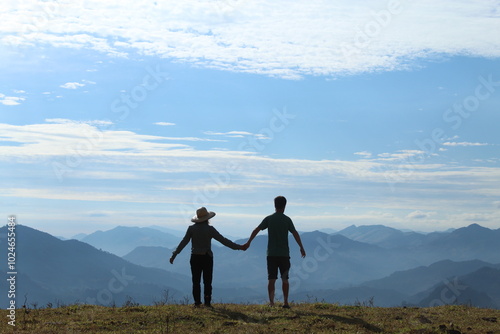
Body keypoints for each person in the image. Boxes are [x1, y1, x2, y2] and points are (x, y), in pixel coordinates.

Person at [170, 207, 245, 307]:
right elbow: (223, 240)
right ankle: (207, 302)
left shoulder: (191, 229)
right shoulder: (210, 229)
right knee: (207, 281)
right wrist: (238, 247)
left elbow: (183, 242)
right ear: (207, 218)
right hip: (207, 257)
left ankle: (197, 303)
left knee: (196, 281)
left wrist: (174, 254)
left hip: (195, 257)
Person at [243, 196, 306, 308]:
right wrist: (301, 247)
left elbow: (256, 229)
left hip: (271, 254)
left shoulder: (269, 219)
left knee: (271, 279)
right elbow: (295, 233)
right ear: (285, 206)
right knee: (285, 279)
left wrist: (249, 242)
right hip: (284, 254)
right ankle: (285, 302)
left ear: (274, 205)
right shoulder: (287, 220)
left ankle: (272, 303)